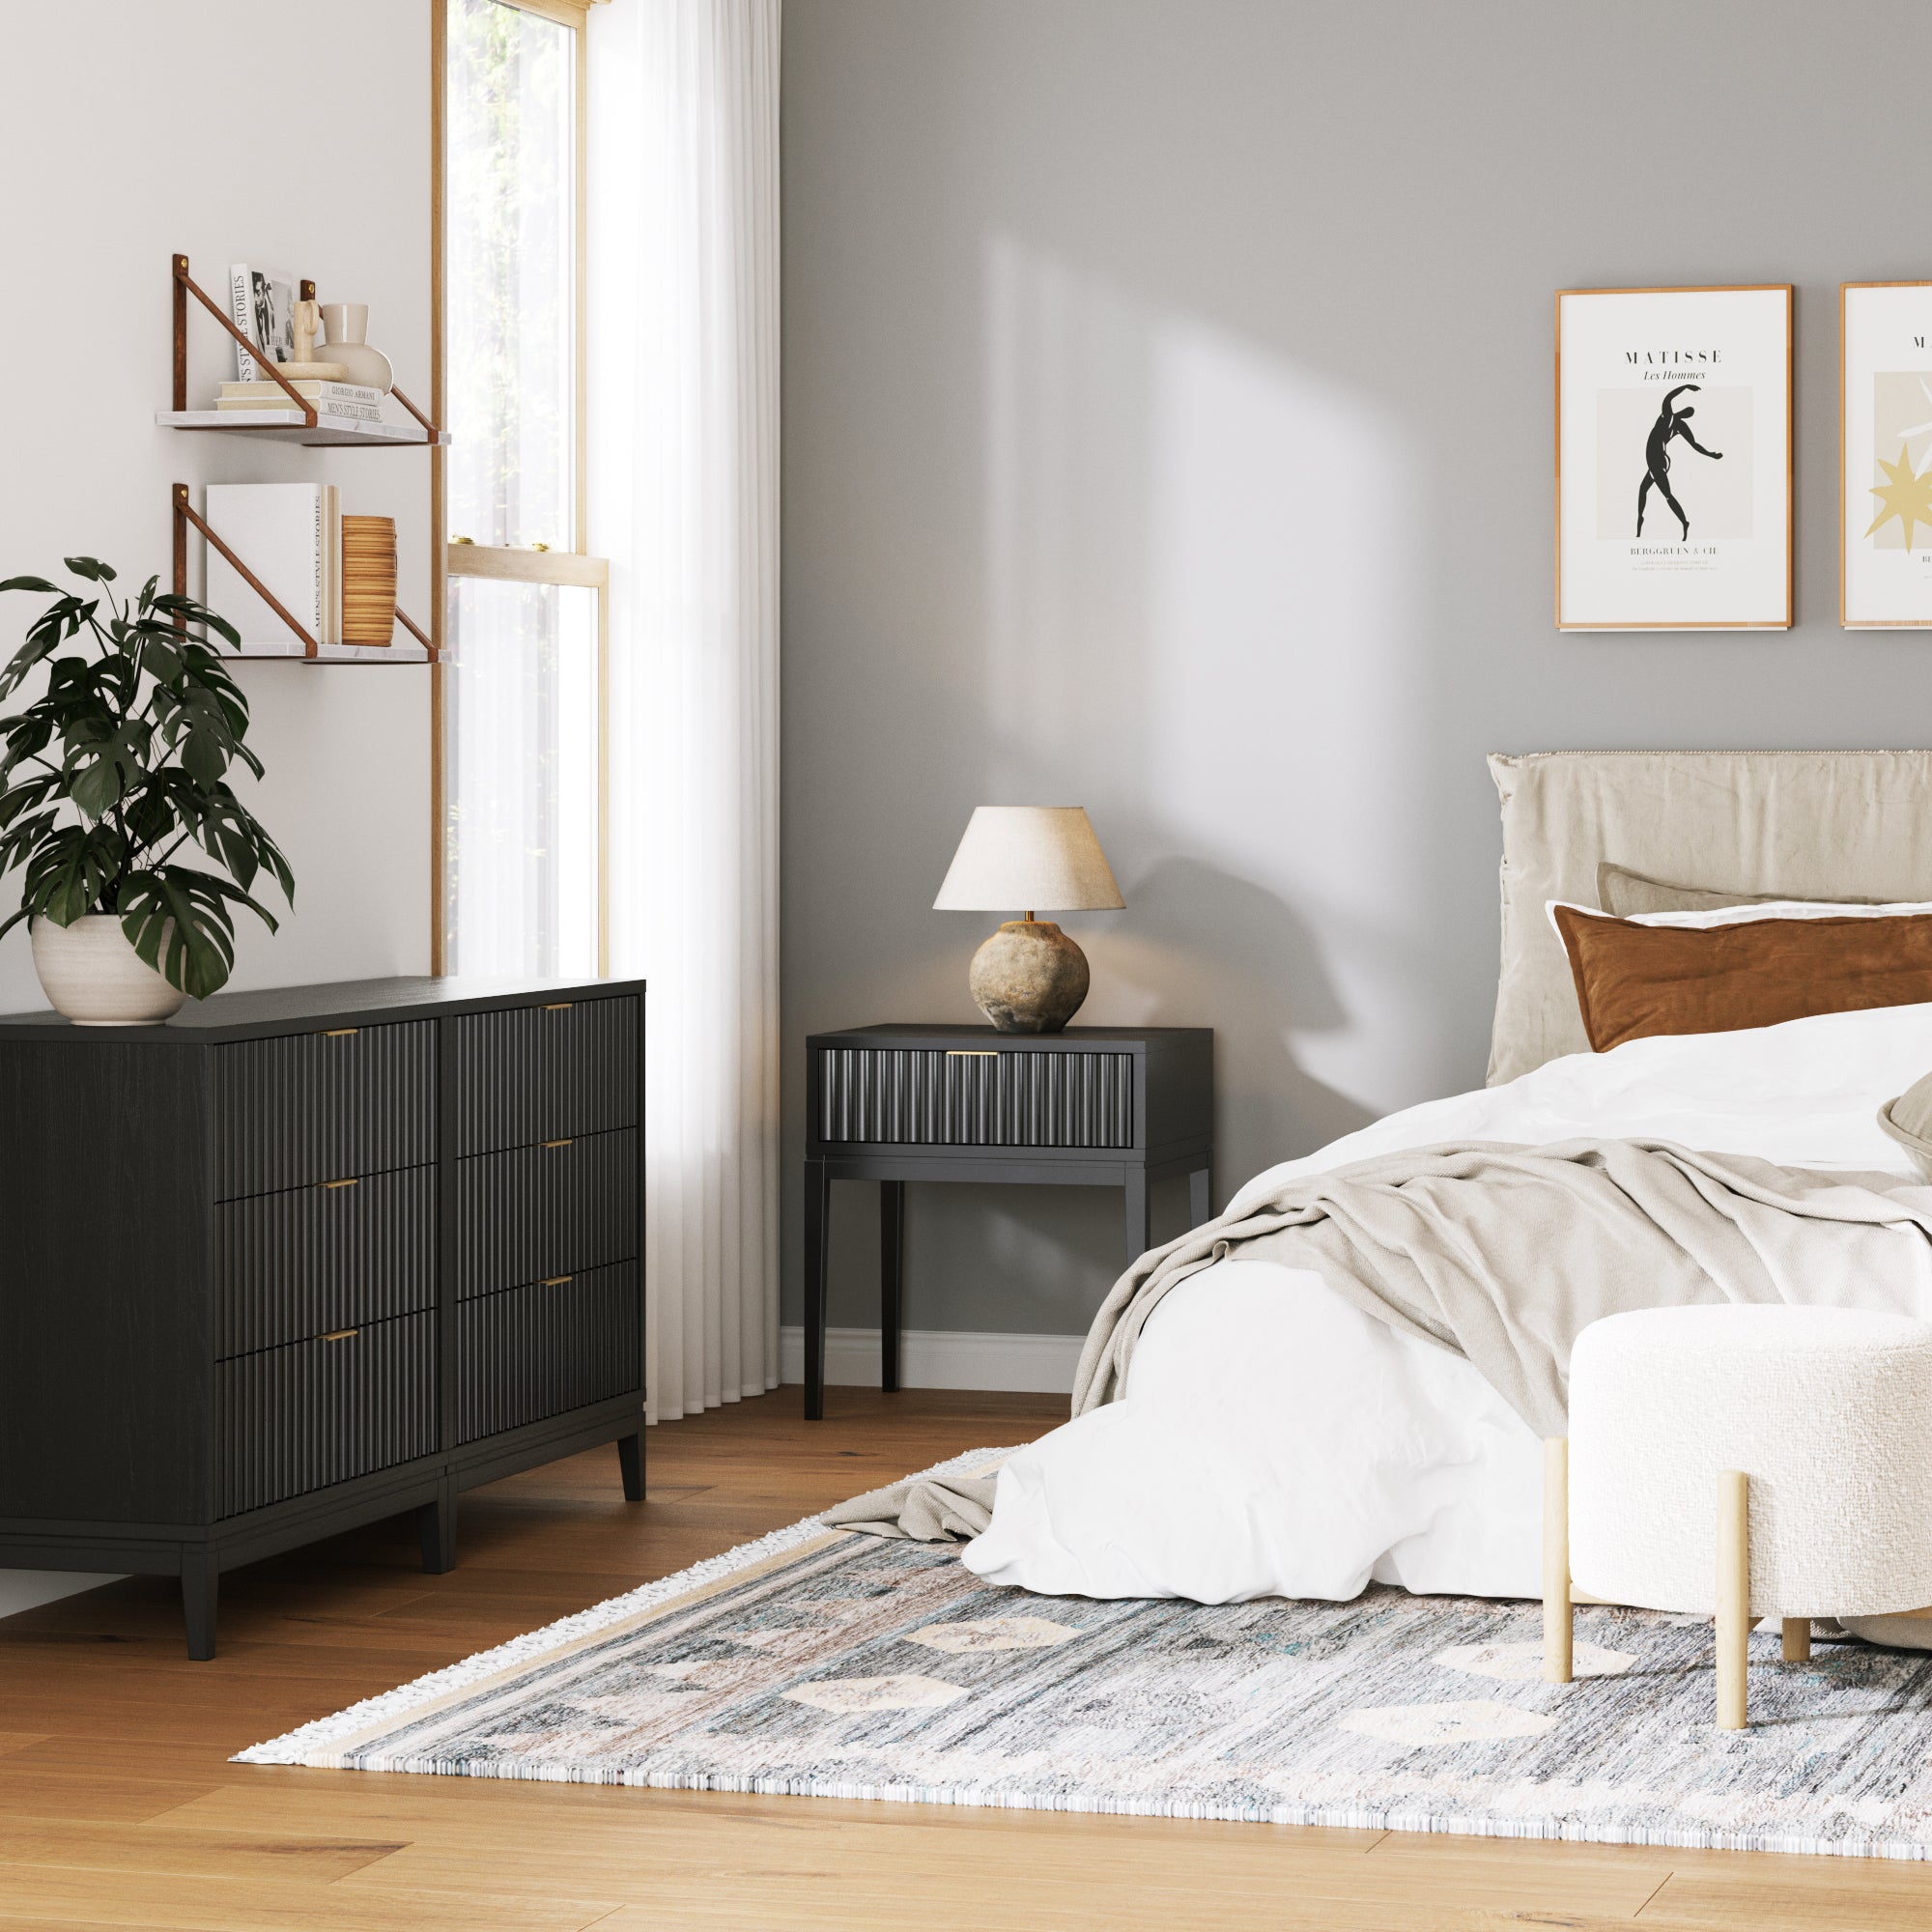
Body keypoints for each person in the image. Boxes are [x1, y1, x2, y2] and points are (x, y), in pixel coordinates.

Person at [1635, 384, 1722, 539]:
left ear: (1685, 415)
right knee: (1643, 488)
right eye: (1687, 411)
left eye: (1688, 413)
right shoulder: (1670, 418)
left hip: (1658, 459)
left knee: (1667, 495)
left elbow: (1695, 444)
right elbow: (1668, 398)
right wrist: (1685, 386)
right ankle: (1640, 520)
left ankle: (1684, 522)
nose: (1685, 414)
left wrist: (1711, 454)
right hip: (1656, 459)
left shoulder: (1677, 424)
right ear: (1682, 411)